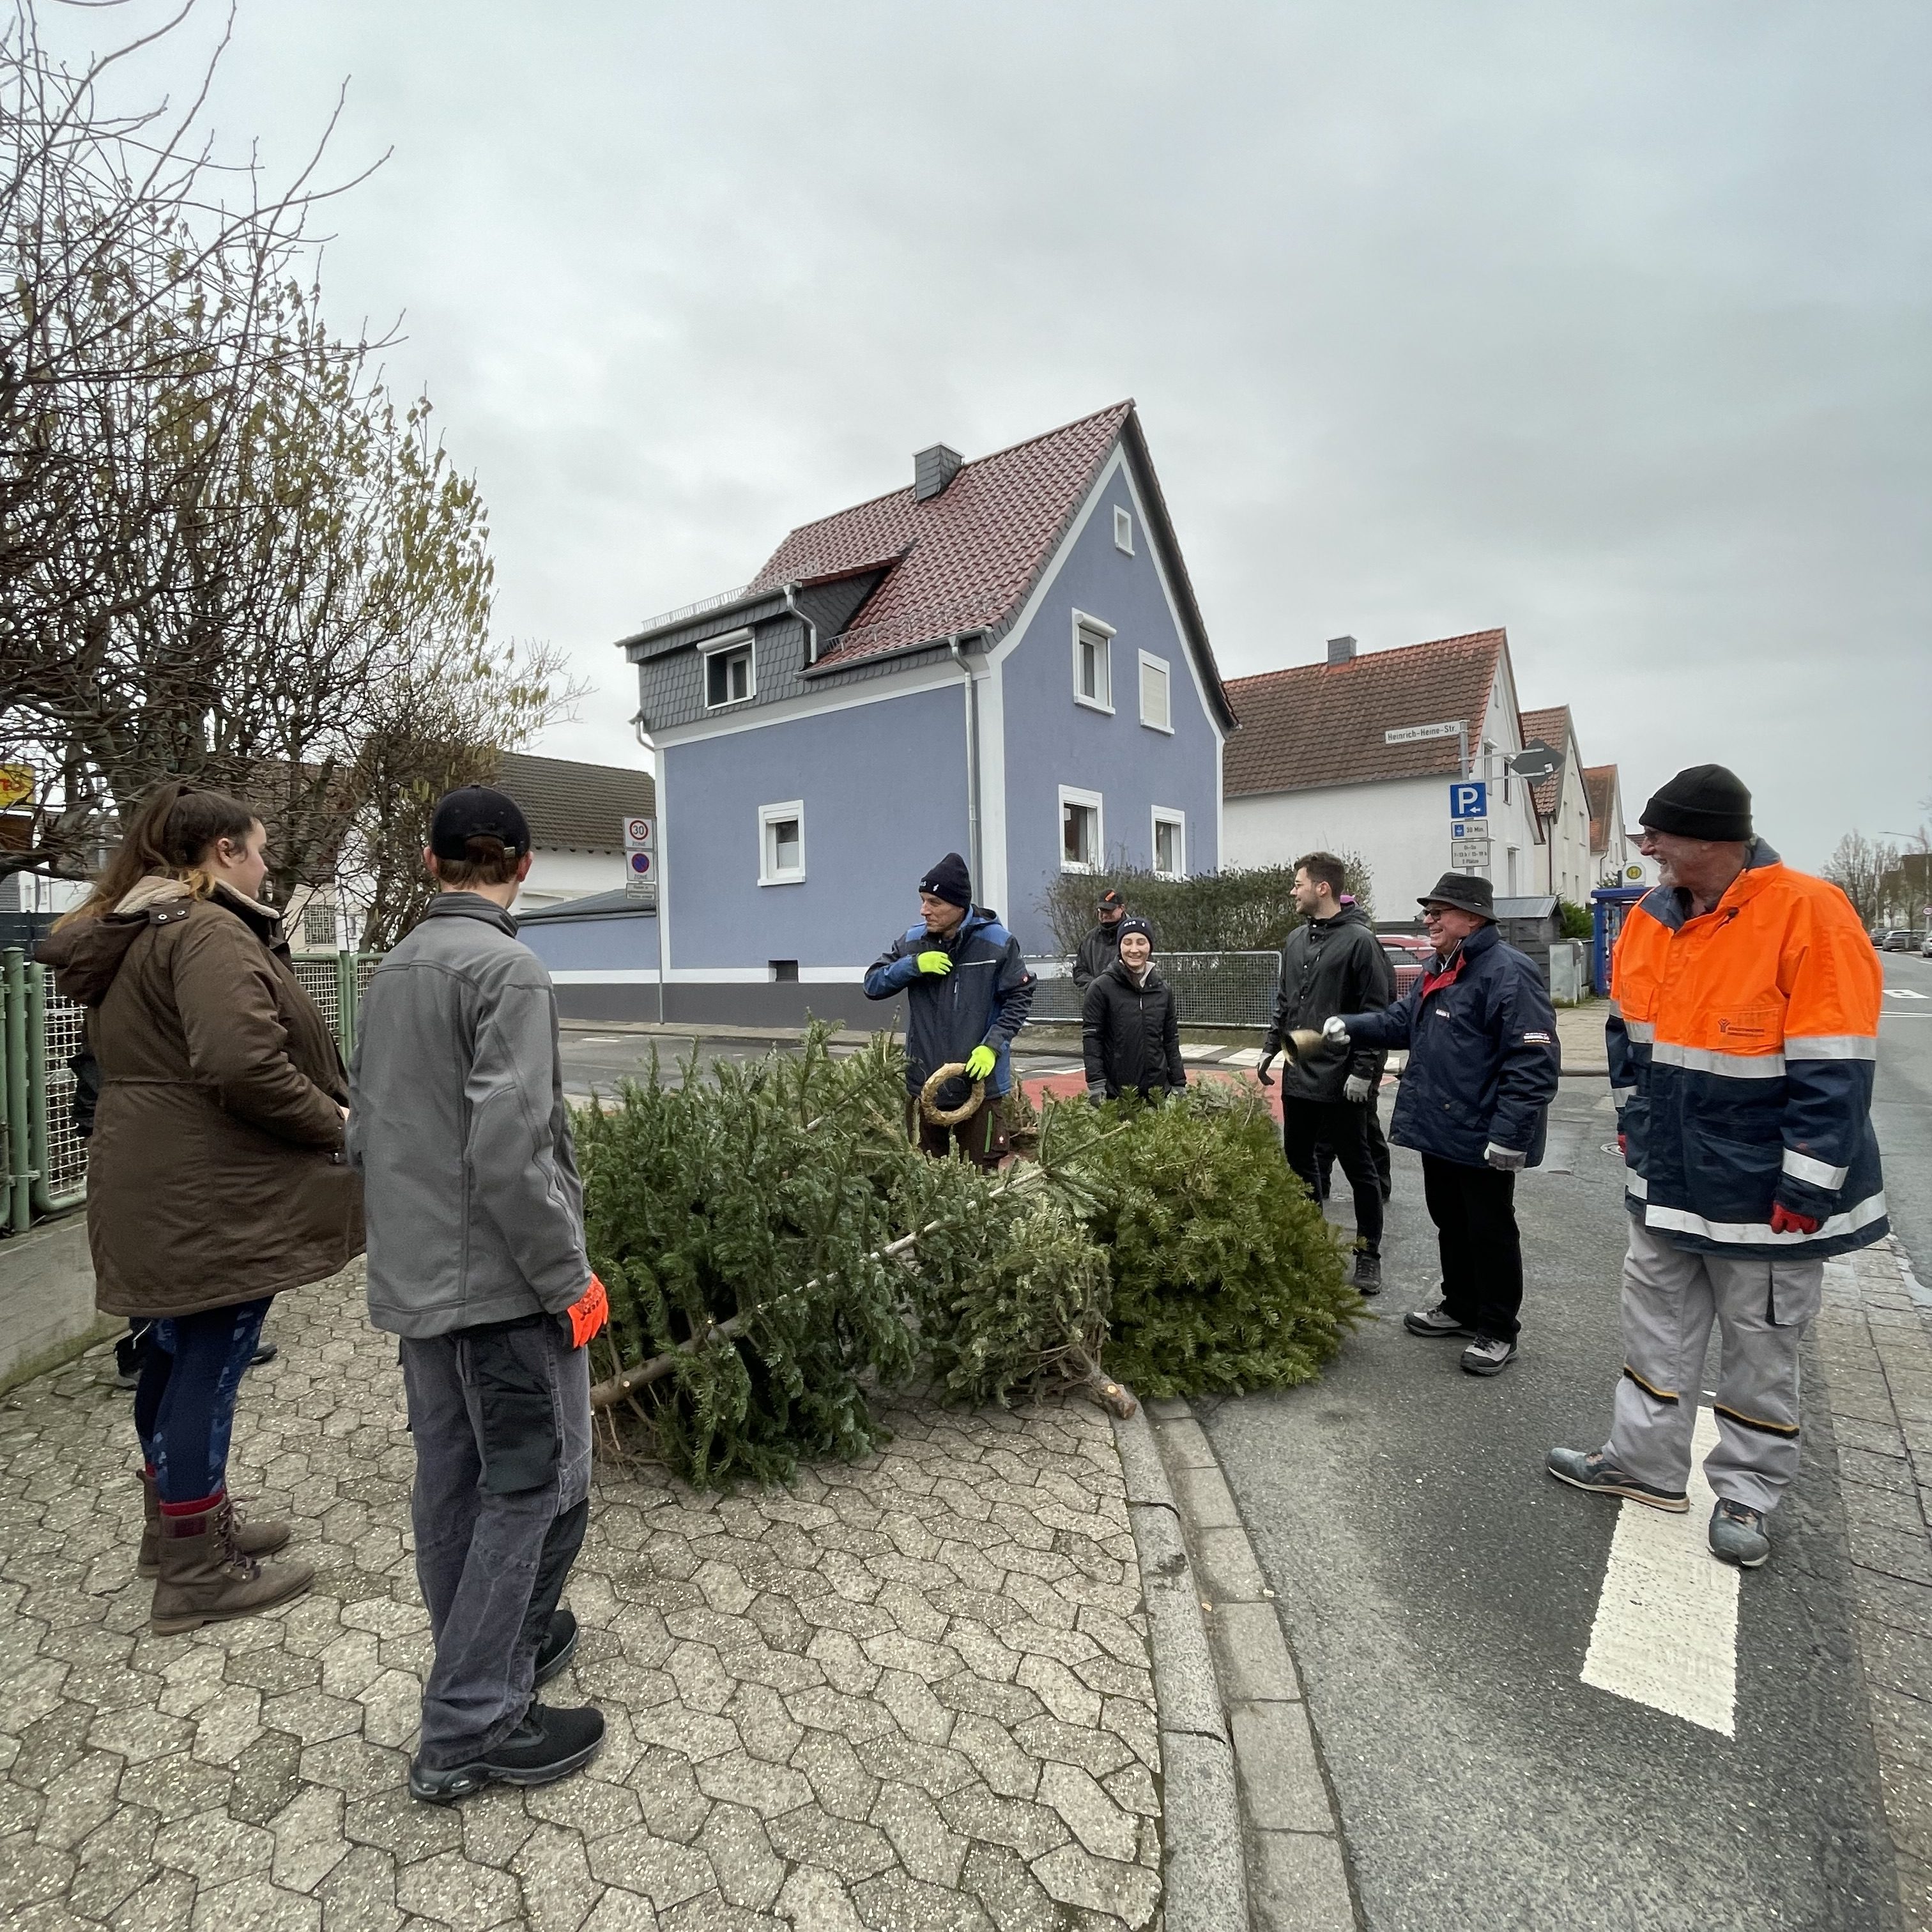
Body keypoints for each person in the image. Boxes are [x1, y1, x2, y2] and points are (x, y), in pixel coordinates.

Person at [36, 781, 360, 1630]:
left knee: (174, 1354)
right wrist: (334, 1121)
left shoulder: (139, 927)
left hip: (158, 1178)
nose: (264, 867)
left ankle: (178, 1523)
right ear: (223, 852)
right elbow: (241, 1062)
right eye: (258, 851)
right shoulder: (205, 929)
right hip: (211, 1192)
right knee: (210, 1363)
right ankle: (197, 1572)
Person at [1547, 765, 1886, 1568]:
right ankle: (1642, 1464)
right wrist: (1634, 1125)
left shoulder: (1809, 912)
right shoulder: (1650, 920)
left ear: (1710, 839)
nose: (1647, 849)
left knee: (1760, 1348)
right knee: (1654, 1330)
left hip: (1763, 1191)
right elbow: (1629, 1041)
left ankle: (1748, 1492)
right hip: (1667, 1178)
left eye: (1658, 835)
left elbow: (1835, 1066)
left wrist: (1808, 1183)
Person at [348, 784, 610, 1802]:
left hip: (418, 1284)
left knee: (453, 1483)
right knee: (539, 1490)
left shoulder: (392, 969)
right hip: (503, 1294)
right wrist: (569, 1282)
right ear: (524, 867)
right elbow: (513, 1152)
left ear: (430, 861)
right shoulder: (511, 971)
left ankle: (505, 1646)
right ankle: (473, 1721)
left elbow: (363, 1131)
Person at [1327, 872, 1560, 1374]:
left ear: (1472, 919)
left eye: (1438, 912)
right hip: (1442, 1127)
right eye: (1428, 912)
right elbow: (1401, 1022)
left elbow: (1533, 1062)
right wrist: (1352, 1025)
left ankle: (1498, 1329)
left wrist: (1509, 1135)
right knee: (1451, 1222)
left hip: (1483, 1133)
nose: (1428, 920)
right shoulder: (1440, 967)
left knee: (1490, 1232)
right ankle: (1460, 1307)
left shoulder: (1508, 972)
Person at [1259, 854, 1394, 1293]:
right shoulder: (1295, 939)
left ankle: (1368, 1255)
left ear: (1322, 888)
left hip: (1342, 1081)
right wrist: (1270, 1049)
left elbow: (1377, 1013)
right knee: (1299, 1163)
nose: (1292, 891)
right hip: (1299, 1073)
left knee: (1359, 1169)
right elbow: (1286, 1003)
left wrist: (1364, 1072)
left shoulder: (1361, 942)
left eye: (1298, 884)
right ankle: (1310, 1245)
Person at [864, 852, 1036, 1167]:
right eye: (922, 901)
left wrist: (992, 1046)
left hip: (980, 1089)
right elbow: (873, 984)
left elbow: (1019, 998)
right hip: (924, 1085)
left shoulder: (998, 943)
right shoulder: (913, 942)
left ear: (959, 905)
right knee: (925, 1178)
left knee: (979, 1178)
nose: (924, 910)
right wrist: (912, 966)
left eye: (934, 902)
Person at [1082, 916, 1186, 1104]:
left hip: (1157, 1094)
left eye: (1141, 942)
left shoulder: (1163, 990)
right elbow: (1092, 1039)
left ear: (1150, 946)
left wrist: (1179, 1082)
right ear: (1120, 946)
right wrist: (1096, 1083)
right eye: (1128, 942)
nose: (1134, 950)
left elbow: (1171, 1040)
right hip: (1117, 1095)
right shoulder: (1101, 988)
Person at [1071, 888, 1127, 990]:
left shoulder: (1133, 936)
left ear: (1122, 908)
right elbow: (1079, 971)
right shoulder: (1090, 939)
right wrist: (1096, 987)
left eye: (1109, 910)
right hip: (1096, 997)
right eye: (1101, 910)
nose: (1104, 915)